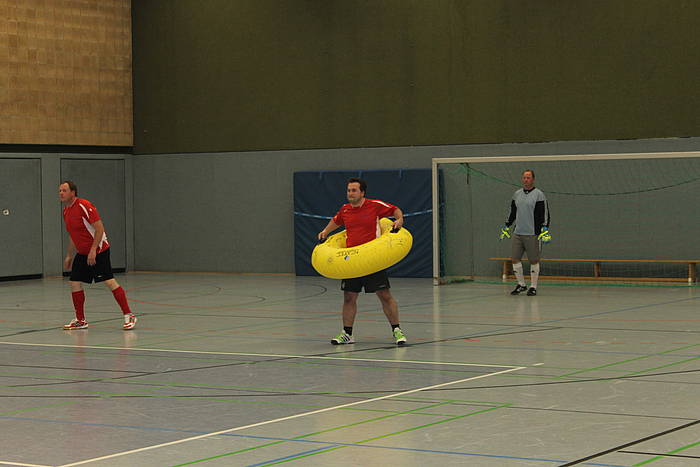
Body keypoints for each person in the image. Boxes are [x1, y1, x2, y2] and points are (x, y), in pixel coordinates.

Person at [318, 177, 407, 345]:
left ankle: (397, 330)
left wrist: (400, 219)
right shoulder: (345, 209)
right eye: (348, 190)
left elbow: (395, 209)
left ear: (362, 192)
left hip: (372, 259)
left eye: (354, 190)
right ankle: (347, 334)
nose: (350, 193)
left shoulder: (374, 205)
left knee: (384, 295)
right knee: (349, 297)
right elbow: (336, 221)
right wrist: (325, 231)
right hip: (352, 261)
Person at [59, 181, 137, 330]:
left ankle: (129, 314)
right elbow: (73, 235)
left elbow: (99, 228)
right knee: (74, 282)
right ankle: (80, 320)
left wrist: (93, 250)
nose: (61, 193)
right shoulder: (65, 211)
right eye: (60, 191)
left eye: (64, 190)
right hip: (82, 252)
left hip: (99, 250)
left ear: (73, 192)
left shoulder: (84, 205)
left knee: (109, 281)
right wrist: (69, 255)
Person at [501, 170, 551, 296]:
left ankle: (533, 286)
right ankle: (521, 284)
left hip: (532, 233)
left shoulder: (539, 195)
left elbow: (544, 213)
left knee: (534, 260)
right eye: (524, 177)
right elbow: (512, 212)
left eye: (528, 177)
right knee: (515, 259)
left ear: (533, 179)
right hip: (518, 232)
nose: (526, 180)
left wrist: (545, 227)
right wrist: (507, 224)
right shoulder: (517, 194)